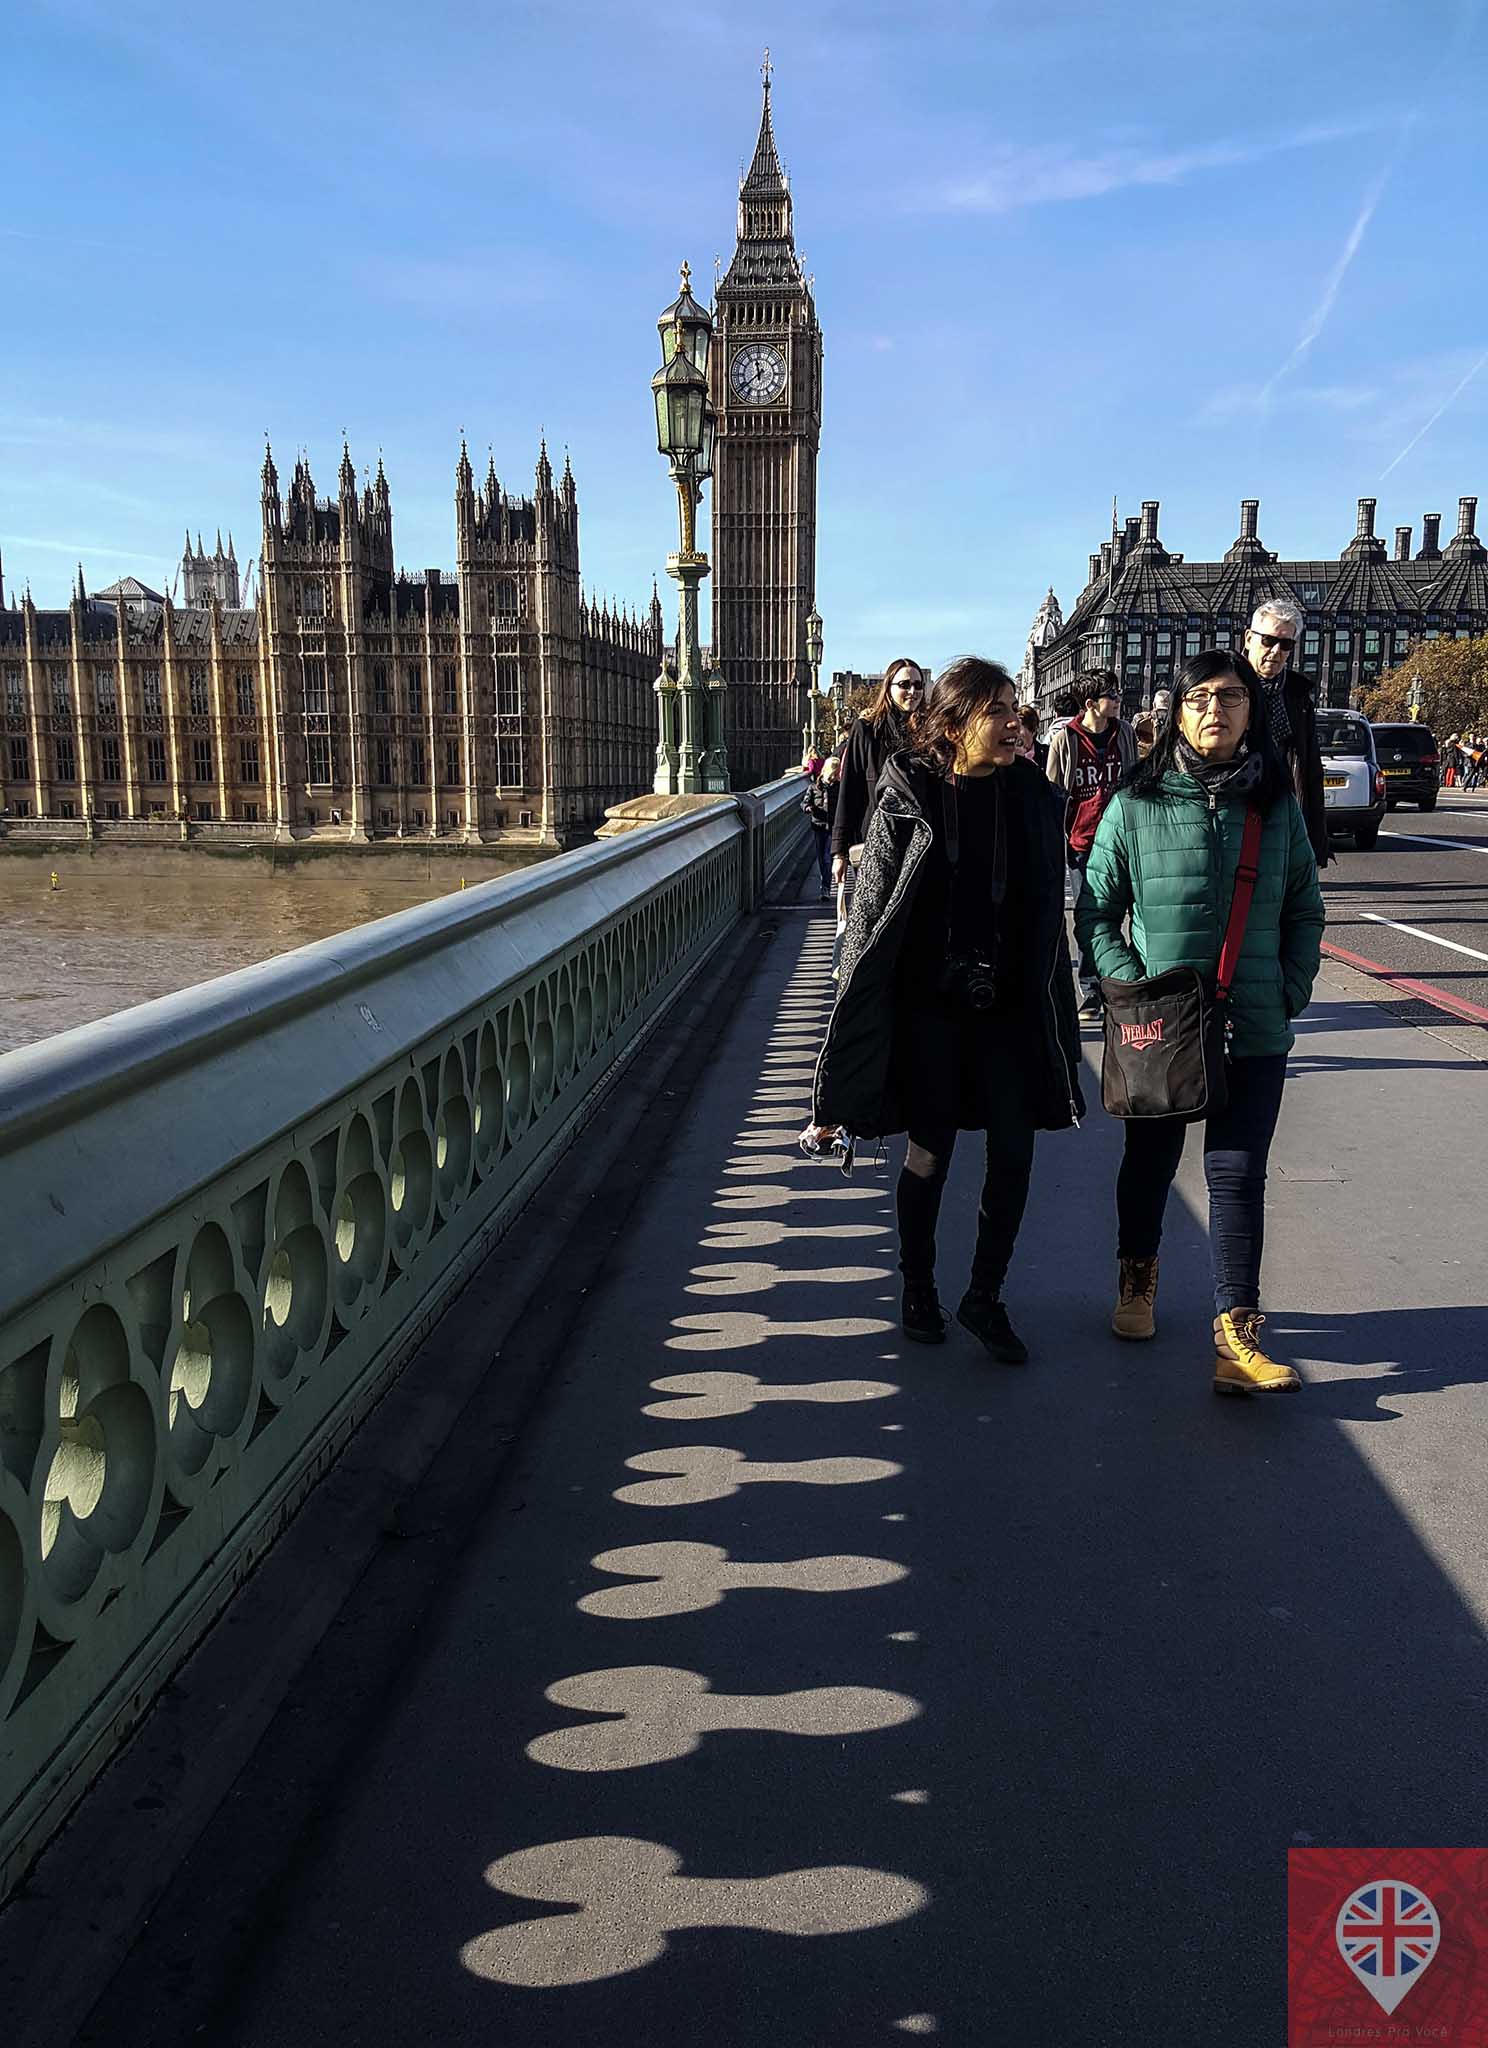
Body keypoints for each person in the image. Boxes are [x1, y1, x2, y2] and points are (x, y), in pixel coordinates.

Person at [813, 656, 1085, 1361]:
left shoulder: (1031, 794)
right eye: (998, 711)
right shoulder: (911, 790)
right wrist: (846, 1024)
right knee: (930, 1155)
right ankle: (918, 1286)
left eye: (1016, 710)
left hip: (1009, 1004)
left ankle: (984, 1296)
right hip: (930, 1004)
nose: (1015, 724)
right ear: (957, 721)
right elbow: (871, 907)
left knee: (1015, 1153)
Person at [1075, 649, 1326, 1396]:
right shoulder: (1135, 804)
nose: (1216, 708)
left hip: (1254, 1024)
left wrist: (1288, 989)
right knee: (1150, 1161)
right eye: (1201, 697)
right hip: (1164, 1027)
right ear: (1177, 712)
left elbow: (1306, 910)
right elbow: (1097, 914)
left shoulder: (1276, 807)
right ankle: (1137, 1279)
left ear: (1252, 712)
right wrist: (1131, 988)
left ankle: (1236, 1338)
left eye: (1232, 696)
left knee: (1238, 1173)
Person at [1044, 669, 1138, 1019]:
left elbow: (1134, 778)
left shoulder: (1124, 732)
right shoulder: (1065, 740)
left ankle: (1129, 982)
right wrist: (1058, 838)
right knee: (1091, 915)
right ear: (1090, 704)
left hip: (1121, 838)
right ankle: (1092, 988)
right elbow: (1053, 790)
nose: (1118, 700)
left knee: (1132, 910)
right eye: (1111, 695)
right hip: (1082, 842)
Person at [1240, 598, 1330, 866]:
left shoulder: (1297, 697)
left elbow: (1311, 770)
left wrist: (1316, 842)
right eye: (1268, 640)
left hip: (1283, 814)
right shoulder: (1224, 686)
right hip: (1236, 810)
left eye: (1286, 644)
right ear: (1249, 638)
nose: (1276, 651)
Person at [831, 658, 926, 887]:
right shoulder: (867, 729)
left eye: (918, 685)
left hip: (920, 841)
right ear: (889, 688)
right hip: (876, 840)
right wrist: (839, 852)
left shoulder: (930, 730)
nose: (912, 691)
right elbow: (849, 790)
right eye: (904, 685)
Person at [801, 753, 840, 899]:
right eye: (837, 772)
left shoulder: (839, 787)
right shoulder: (814, 787)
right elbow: (804, 802)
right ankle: (825, 883)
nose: (838, 775)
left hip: (833, 826)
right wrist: (808, 808)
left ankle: (826, 888)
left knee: (827, 857)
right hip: (818, 826)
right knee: (821, 858)